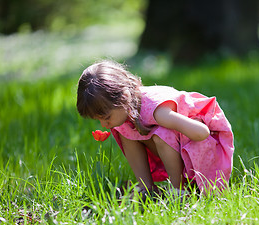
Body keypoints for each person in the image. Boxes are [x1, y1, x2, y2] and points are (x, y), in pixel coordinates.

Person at [76, 60, 234, 196]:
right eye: (99, 120)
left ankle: (178, 191)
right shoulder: (126, 113)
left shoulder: (158, 111)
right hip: (181, 153)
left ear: (123, 97)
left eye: (106, 118)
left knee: (162, 133)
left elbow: (202, 133)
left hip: (203, 151)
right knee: (125, 131)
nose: (104, 125)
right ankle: (147, 188)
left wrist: (177, 121)